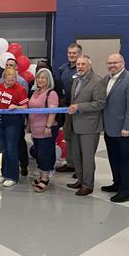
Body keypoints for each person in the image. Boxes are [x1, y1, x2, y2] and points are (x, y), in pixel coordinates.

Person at [102, 53, 129, 203]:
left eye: (115, 63)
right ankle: (117, 183)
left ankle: (126, 192)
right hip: (110, 129)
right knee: (114, 158)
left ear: (123, 63)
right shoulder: (106, 79)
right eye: (109, 63)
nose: (112, 65)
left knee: (126, 160)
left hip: (125, 131)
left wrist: (128, 127)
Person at [66, 56, 105, 196]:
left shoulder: (97, 81)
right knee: (77, 156)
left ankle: (88, 185)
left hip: (90, 125)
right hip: (75, 124)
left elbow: (100, 103)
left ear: (89, 65)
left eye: (83, 64)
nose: (80, 66)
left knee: (87, 158)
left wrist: (79, 107)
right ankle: (81, 179)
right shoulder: (76, 79)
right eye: (78, 64)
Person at [0, 68, 28, 187]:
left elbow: (25, 106)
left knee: (12, 149)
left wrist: (16, 106)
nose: (12, 81)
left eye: (14, 79)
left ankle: (13, 176)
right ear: (4, 78)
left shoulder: (20, 89)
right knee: (4, 149)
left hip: (13, 122)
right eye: (9, 79)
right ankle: (4, 173)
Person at [28, 68, 59, 192]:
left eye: (43, 78)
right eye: (38, 77)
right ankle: (41, 175)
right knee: (39, 154)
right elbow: (31, 111)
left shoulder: (51, 93)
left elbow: (52, 112)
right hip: (35, 128)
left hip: (46, 129)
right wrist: (29, 127)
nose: (40, 80)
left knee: (44, 154)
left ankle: (45, 179)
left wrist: (48, 127)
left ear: (48, 80)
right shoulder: (35, 92)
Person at [56, 43, 82, 174]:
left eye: (74, 53)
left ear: (79, 54)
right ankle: (70, 163)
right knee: (68, 136)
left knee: (78, 138)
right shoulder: (63, 68)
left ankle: (80, 168)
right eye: (69, 53)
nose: (71, 55)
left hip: (79, 111)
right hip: (66, 109)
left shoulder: (82, 69)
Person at [3, 57, 29, 176]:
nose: (9, 67)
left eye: (11, 65)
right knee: (7, 146)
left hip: (17, 120)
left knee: (19, 144)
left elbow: (25, 102)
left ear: (17, 67)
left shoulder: (22, 82)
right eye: (7, 65)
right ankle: (7, 168)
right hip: (4, 120)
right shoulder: (1, 81)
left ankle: (23, 166)